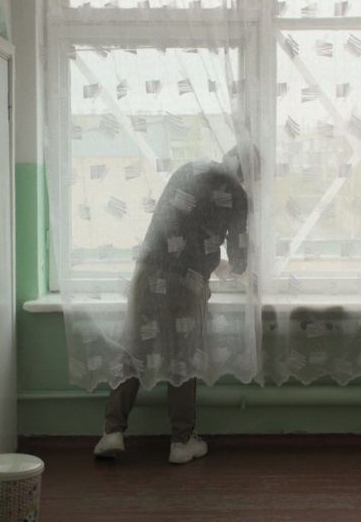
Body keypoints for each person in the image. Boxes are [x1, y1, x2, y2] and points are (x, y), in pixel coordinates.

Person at [93, 144, 254, 464]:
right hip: (185, 284)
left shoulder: (189, 169)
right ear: (249, 173)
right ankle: (181, 441)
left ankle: (112, 432)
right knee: (183, 356)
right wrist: (230, 267)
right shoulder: (237, 194)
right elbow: (238, 260)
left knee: (134, 350)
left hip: (148, 270)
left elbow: (178, 227)